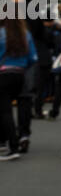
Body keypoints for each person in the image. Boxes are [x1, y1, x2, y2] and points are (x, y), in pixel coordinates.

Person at [0, 21, 37, 159]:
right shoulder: (25, 34)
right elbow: (33, 58)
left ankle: (12, 146)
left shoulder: (1, 34)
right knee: (21, 104)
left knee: (5, 111)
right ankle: (21, 137)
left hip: (3, 75)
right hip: (20, 75)